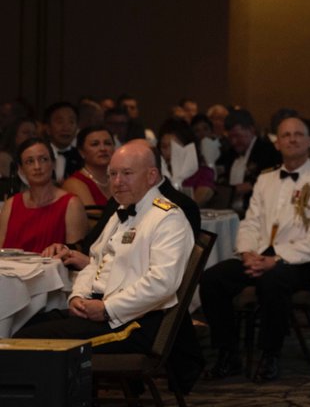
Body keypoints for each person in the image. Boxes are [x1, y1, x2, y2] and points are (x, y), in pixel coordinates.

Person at [16, 140, 193, 357]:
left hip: (133, 323)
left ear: (151, 176)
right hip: (100, 310)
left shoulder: (168, 218)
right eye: (113, 174)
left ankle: (53, 391)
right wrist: (77, 297)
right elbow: (94, 262)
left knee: (29, 342)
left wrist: (108, 309)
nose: (117, 182)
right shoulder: (121, 210)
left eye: (127, 173)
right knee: (21, 325)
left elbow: (162, 282)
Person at [200, 116, 310, 382]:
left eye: (298, 134)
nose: (292, 139)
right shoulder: (265, 179)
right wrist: (247, 253)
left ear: (309, 142)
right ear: (277, 143)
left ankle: (270, 355)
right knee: (212, 279)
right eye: (286, 135)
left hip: (298, 262)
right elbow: (251, 221)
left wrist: (275, 260)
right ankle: (227, 354)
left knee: (273, 281)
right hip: (258, 255)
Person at [0, 137, 87, 251]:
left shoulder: (71, 204)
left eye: (43, 159)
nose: (37, 167)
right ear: (21, 170)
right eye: (30, 161)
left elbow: (75, 254)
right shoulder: (11, 204)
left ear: (53, 164)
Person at [216, 108, 281, 214]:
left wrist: (231, 191)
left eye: (237, 136)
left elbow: (265, 183)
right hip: (229, 211)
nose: (233, 142)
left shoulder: (268, 151)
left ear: (251, 130)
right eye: (230, 137)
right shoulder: (229, 154)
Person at [159, 118, 216, 206]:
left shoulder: (203, 173)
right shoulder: (159, 174)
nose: (168, 152)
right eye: (164, 146)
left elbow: (194, 204)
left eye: (173, 146)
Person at [62, 125, 116, 207]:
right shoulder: (74, 183)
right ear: (81, 152)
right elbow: (93, 218)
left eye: (107, 143)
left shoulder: (118, 178)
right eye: (95, 144)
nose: (103, 148)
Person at [43, 101, 82, 183]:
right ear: (47, 128)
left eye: (71, 122)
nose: (66, 128)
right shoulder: (39, 154)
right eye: (60, 122)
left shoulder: (81, 157)